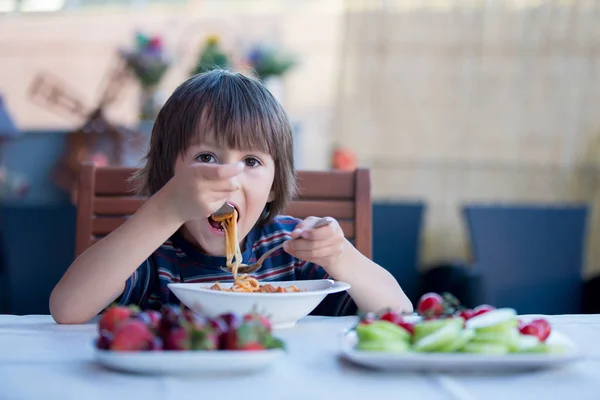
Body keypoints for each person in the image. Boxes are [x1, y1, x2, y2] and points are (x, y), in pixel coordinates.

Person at [49, 69, 413, 324]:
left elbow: (398, 312)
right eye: (205, 158)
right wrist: (162, 211)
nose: (228, 178)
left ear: (273, 186)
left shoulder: (288, 250)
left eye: (251, 161)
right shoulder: (151, 251)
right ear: (170, 176)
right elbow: (67, 309)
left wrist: (339, 255)